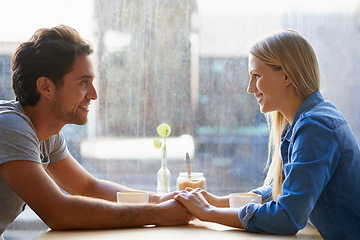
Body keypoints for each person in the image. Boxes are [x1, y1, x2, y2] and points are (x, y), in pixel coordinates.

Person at [0, 25, 190, 237]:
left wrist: (164, 200)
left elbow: (88, 188)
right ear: (46, 87)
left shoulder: (46, 135)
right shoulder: (10, 126)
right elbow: (58, 212)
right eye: (83, 82)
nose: (93, 94)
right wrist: (156, 214)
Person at [175, 29, 360, 240]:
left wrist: (208, 213)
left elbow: (288, 216)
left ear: (287, 75)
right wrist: (216, 201)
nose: (249, 88)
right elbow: (287, 189)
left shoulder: (315, 127)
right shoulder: (308, 120)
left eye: (256, 76)